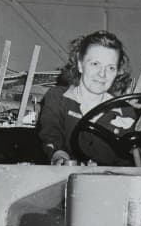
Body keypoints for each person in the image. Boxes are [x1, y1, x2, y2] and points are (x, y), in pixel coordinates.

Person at [37, 30, 132, 164]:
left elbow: (127, 159)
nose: (102, 74)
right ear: (80, 65)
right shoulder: (58, 97)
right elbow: (51, 133)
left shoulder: (125, 111)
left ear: (117, 72)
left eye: (111, 68)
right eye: (95, 64)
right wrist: (59, 155)